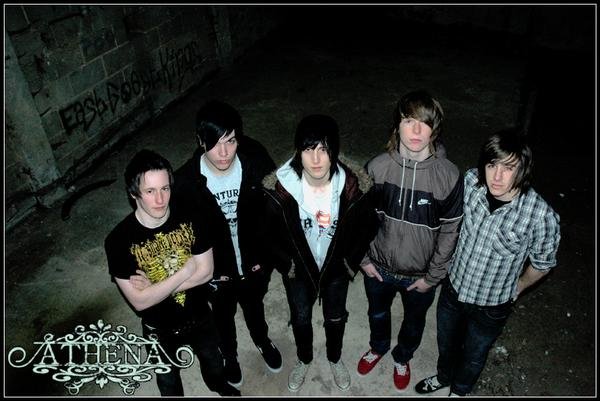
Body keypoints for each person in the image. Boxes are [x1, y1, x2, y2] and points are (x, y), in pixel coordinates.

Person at [414, 128, 561, 396]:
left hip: (491, 305)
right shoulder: (471, 182)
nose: (497, 176)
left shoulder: (540, 216)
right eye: (492, 165)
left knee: (474, 355)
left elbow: (544, 263)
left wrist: (518, 287)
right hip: (453, 290)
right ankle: (444, 377)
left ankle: (459, 391)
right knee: (446, 344)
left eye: (508, 168)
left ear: (523, 170)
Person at [104, 149, 240, 396]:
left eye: (165, 188)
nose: (160, 199)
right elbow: (140, 302)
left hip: (200, 314)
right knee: (168, 382)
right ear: (133, 193)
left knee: (214, 364)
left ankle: (219, 387)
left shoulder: (191, 217)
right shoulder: (118, 241)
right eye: (150, 191)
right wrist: (186, 269)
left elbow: (206, 272)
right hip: (158, 328)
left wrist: (155, 286)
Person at [356, 90, 464, 392]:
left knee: (414, 322)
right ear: (397, 126)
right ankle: (378, 346)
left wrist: (433, 277)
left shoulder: (449, 176)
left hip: (420, 275)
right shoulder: (376, 168)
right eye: (408, 121)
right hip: (378, 269)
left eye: (424, 122)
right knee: (377, 313)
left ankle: (402, 357)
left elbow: (451, 231)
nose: (416, 130)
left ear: (434, 129)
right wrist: (363, 260)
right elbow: (358, 221)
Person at [262, 114, 375, 392]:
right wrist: (286, 263)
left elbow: (368, 226)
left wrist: (349, 263)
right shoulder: (281, 190)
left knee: (335, 317)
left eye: (323, 149)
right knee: (300, 318)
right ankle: (304, 358)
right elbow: (266, 233)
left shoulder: (352, 188)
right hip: (299, 270)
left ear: (334, 151)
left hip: (335, 268)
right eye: (308, 149)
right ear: (297, 151)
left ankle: (334, 358)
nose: (315, 159)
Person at [173, 100, 281, 389]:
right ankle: (230, 356)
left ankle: (262, 340)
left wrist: (266, 260)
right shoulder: (185, 183)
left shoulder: (256, 162)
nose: (223, 153)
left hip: (253, 263)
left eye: (230, 141)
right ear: (200, 141)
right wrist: (204, 273)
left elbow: (276, 213)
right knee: (222, 317)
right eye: (214, 143)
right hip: (216, 272)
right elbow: (182, 237)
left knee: (255, 307)